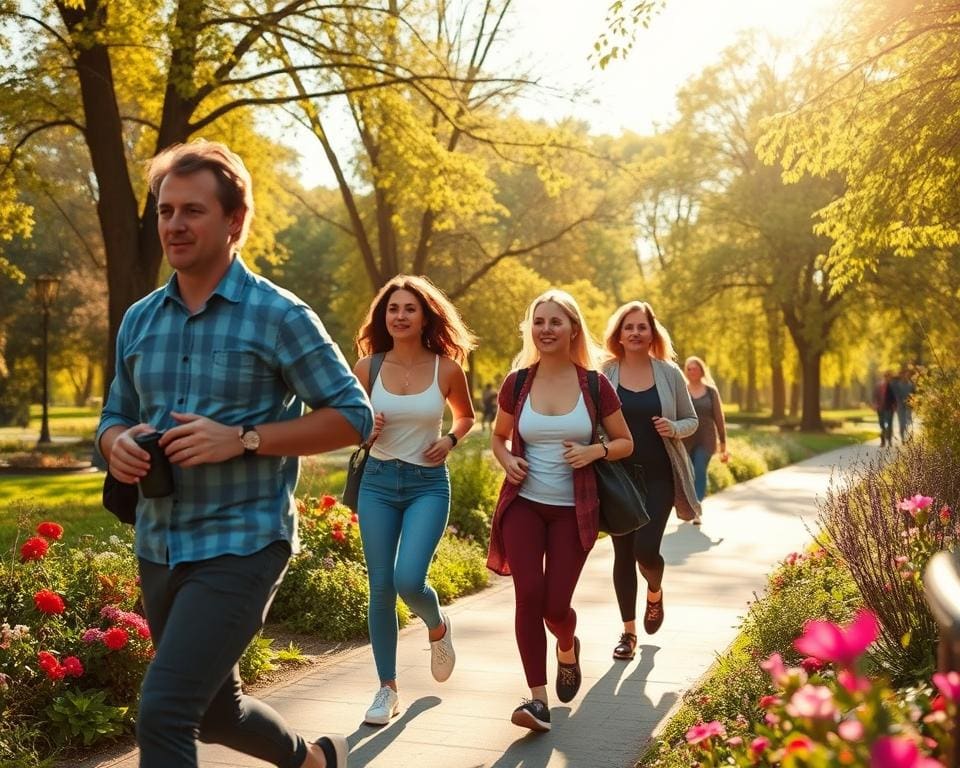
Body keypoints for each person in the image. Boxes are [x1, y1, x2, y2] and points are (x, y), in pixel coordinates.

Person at [97, 141, 372, 768]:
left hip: (243, 540)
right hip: (161, 543)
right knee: (216, 712)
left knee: (164, 713)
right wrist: (117, 445)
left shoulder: (278, 316)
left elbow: (353, 415)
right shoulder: (140, 319)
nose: (175, 224)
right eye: (167, 211)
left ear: (234, 221)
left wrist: (245, 438)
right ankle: (312, 760)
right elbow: (114, 414)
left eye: (192, 210)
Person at [488, 289, 634, 733]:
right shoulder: (518, 382)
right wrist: (507, 458)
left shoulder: (594, 384)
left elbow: (626, 442)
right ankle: (536, 701)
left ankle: (566, 647)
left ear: (573, 329)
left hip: (574, 510)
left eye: (555, 322)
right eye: (539, 322)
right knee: (528, 595)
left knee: (555, 607)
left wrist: (594, 451)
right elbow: (498, 436)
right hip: (524, 505)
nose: (546, 329)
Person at [353, 275, 476, 726]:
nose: (400, 316)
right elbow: (346, 424)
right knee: (381, 586)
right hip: (378, 482)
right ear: (383, 317)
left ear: (424, 316)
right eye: (392, 309)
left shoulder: (446, 368)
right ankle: (387, 689)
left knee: (409, 580)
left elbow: (466, 416)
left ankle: (437, 625)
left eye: (408, 309)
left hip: (428, 484)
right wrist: (366, 430)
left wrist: (450, 440)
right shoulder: (367, 369)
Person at [600, 301, 700, 662]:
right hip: (618, 478)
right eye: (629, 327)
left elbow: (691, 420)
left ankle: (654, 591)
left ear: (652, 333)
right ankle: (628, 633)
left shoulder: (669, 373)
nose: (636, 333)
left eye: (642, 327)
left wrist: (673, 428)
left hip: (659, 477)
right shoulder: (605, 373)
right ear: (619, 334)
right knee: (623, 554)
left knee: (646, 550)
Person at [682, 356, 729, 502]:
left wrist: (723, 444)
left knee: (700, 469)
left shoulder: (711, 392)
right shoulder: (682, 390)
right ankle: (689, 503)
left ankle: (697, 506)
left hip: (706, 439)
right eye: (689, 369)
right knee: (688, 474)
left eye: (695, 368)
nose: (692, 371)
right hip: (685, 439)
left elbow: (719, 419)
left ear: (702, 370)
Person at [890, 366, 915, 442]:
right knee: (902, 422)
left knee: (908, 421)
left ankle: (908, 437)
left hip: (909, 406)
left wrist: (912, 402)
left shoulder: (911, 385)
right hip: (900, 406)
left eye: (906, 374)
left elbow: (914, 395)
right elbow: (894, 396)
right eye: (903, 374)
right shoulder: (897, 385)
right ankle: (903, 438)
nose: (905, 376)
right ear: (901, 375)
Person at [873, 370, 896, 447]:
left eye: (890, 377)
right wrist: (875, 404)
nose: (888, 378)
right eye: (887, 376)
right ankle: (883, 439)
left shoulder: (893, 386)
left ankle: (888, 441)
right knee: (881, 424)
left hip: (889, 408)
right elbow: (875, 395)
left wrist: (895, 405)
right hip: (880, 408)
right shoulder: (879, 385)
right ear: (885, 377)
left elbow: (895, 397)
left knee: (889, 424)